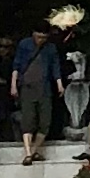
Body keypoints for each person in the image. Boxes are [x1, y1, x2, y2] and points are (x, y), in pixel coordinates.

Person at [17, 34, 58, 166]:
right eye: (39, 37)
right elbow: (16, 66)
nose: (41, 40)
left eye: (44, 38)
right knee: (28, 120)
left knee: (45, 121)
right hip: (28, 87)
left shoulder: (50, 48)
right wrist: (13, 84)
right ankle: (28, 153)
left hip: (44, 88)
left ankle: (34, 150)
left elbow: (55, 67)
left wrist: (59, 84)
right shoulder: (24, 44)